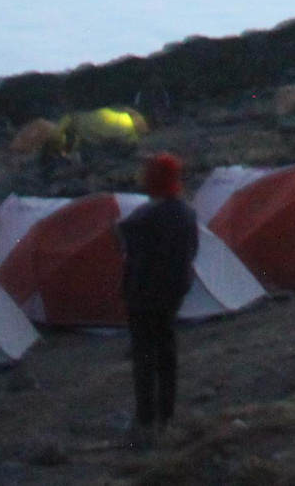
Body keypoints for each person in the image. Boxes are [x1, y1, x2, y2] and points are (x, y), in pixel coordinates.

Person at [115, 153, 199, 444]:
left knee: (144, 357)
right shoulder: (186, 213)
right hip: (172, 295)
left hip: (143, 295)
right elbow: (192, 252)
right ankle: (166, 417)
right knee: (166, 353)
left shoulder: (146, 218)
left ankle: (144, 420)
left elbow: (125, 239)